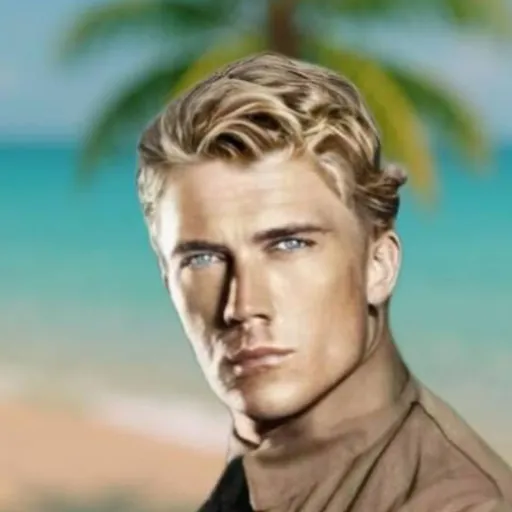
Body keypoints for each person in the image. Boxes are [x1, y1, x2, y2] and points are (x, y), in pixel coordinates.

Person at [135, 53, 512, 511]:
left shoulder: (458, 502)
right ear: (167, 278)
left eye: (289, 244)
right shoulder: (254, 476)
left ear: (379, 264)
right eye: (203, 258)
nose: (242, 305)